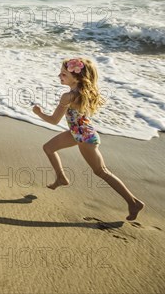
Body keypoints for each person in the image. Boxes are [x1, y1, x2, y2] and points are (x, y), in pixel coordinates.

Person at [33, 57, 144, 220]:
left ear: (77, 76)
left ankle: (133, 202)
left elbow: (54, 120)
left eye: (63, 74)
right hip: (77, 133)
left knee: (101, 171)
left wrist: (38, 113)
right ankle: (61, 178)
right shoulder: (84, 92)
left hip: (84, 137)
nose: (59, 76)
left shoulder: (68, 96)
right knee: (48, 148)